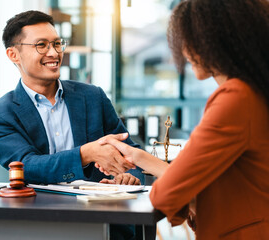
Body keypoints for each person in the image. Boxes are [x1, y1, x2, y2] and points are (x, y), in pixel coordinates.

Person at [98, 0, 269, 239]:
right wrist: (138, 157)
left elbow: (166, 194)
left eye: (188, 39)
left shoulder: (235, 98)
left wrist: (183, 192)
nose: (184, 52)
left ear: (217, 39)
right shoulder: (253, 91)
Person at [0, 10, 143, 186]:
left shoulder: (93, 97)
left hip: (96, 208)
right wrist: (85, 154)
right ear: (13, 54)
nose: (54, 53)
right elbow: (25, 166)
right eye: (41, 45)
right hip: (36, 209)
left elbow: (131, 154)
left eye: (57, 43)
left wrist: (127, 177)